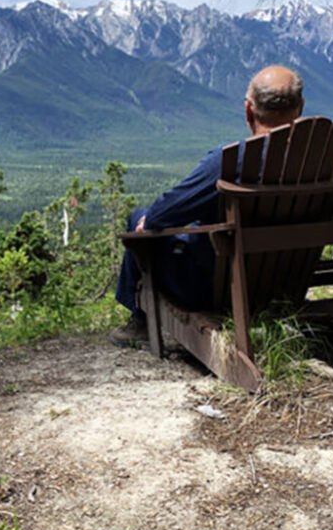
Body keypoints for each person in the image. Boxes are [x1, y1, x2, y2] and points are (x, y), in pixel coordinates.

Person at [109, 66, 305, 348]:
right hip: (287, 283)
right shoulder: (326, 159)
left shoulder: (228, 162)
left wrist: (149, 220)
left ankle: (140, 322)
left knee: (138, 217)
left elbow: (165, 213)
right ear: (300, 108)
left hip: (216, 288)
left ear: (248, 110)